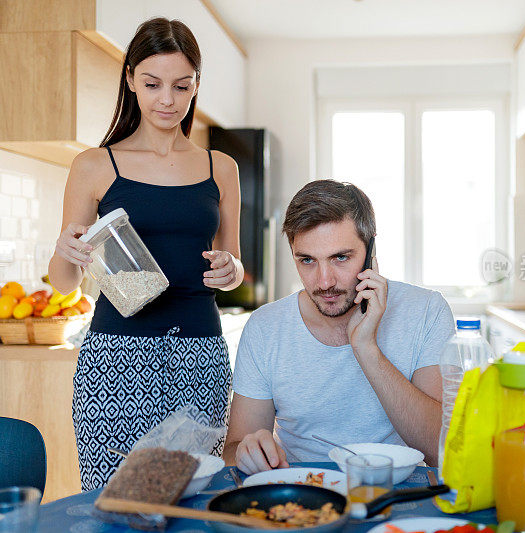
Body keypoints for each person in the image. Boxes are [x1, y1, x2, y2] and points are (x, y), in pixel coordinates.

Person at [48, 17, 243, 490]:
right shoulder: (95, 164)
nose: (168, 100)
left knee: (191, 495)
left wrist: (230, 270)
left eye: (182, 86)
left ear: (196, 85)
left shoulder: (221, 167)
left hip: (200, 356)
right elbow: (62, 283)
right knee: (114, 500)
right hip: (115, 358)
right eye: (153, 84)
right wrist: (66, 251)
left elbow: (235, 266)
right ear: (131, 78)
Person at [223, 180, 454, 473]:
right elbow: (233, 450)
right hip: (305, 497)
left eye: (341, 258)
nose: (324, 282)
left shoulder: (427, 312)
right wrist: (249, 454)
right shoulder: (265, 328)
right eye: (307, 260)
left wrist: (367, 349)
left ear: (370, 252)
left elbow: (441, 449)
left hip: (404, 493)